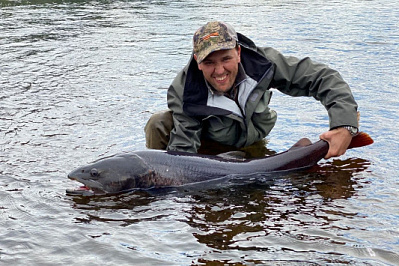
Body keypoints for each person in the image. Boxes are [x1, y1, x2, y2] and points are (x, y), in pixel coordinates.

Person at [144, 21, 359, 159]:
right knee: (159, 122)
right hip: (212, 147)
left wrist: (344, 124)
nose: (220, 71)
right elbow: (184, 149)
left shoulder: (262, 64)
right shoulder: (184, 89)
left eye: (226, 59)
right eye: (209, 62)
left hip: (252, 141)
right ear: (197, 62)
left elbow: (322, 77)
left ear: (238, 52)